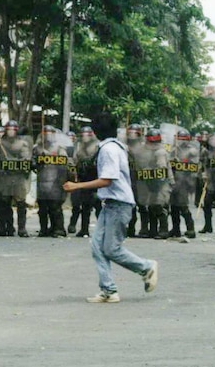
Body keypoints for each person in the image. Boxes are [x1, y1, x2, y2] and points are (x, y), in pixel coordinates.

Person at [63, 112, 158, 304]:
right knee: (97, 247)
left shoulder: (109, 150)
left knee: (111, 249)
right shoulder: (113, 147)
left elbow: (107, 179)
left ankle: (146, 267)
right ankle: (108, 289)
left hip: (119, 204)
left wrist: (77, 186)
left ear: (96, 131)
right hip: (111, 204)